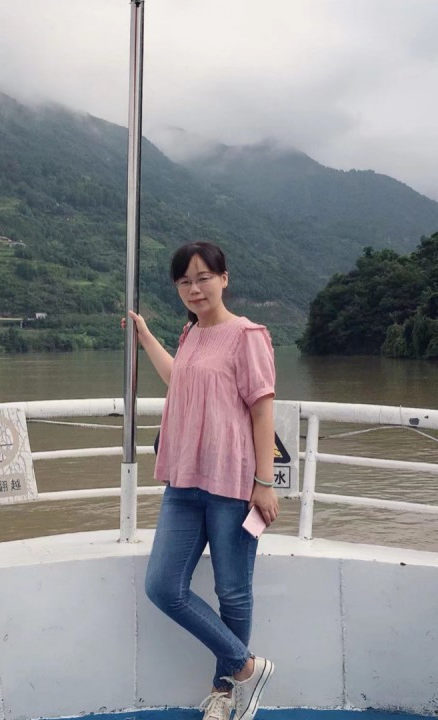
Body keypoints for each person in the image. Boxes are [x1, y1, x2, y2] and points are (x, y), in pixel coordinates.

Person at [123, 241, 278, 720]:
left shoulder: (247, 335)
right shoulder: (190, 333)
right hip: (184, 482)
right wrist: (146, 337)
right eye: (184, 281)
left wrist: (264, 481)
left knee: (233, 592)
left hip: (232, 483)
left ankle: (225, 692)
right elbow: (181, 380)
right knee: (163, 586)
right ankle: (247, 667)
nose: (194, 288)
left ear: (224, 278)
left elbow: (262, 409)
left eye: (203, 277)